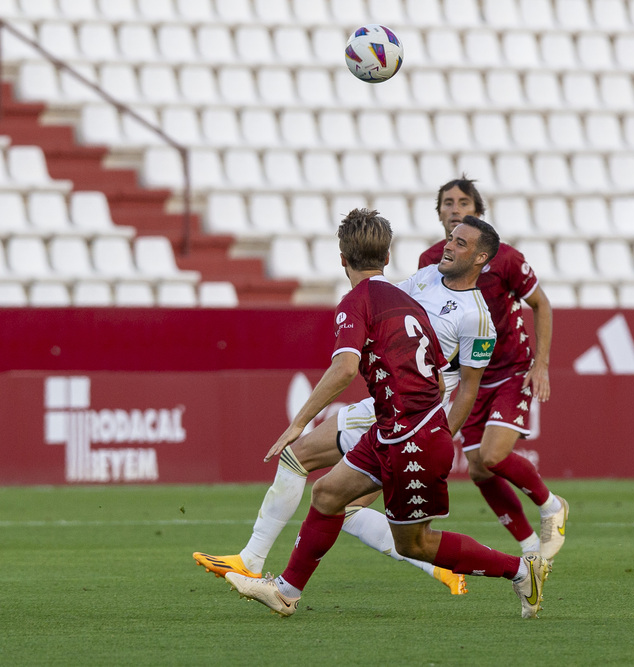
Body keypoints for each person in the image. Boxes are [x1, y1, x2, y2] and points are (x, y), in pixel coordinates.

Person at [223, 208, 546, 619]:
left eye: (460, 242)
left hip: (416, 433)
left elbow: (347, 370)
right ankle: (285, 591)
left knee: (416, 543)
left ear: (342, 258)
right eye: (450, 238)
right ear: (388, 258)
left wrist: (298, 423)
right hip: (391, 425)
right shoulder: (411, 290)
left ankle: (521, 570)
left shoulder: (450, 313)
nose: (448, 244)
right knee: (327, 494)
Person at [420, 177, 569, 563]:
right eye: (447, 202)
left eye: (463, 202)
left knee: (492, 456)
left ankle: (552, 506)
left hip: (510, 370)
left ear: (478, 212)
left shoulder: (504, 258)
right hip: (468, 377)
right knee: (479, 470)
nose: (455, 208)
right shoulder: (429, 262)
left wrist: (542, 364)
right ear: (438, 213)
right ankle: (530, 549)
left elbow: (542, 304)